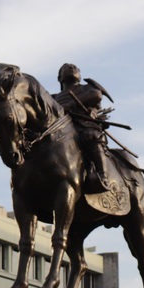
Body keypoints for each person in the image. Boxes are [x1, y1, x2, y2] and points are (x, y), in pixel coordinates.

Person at [54, 63, 116, 192]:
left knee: (91, 136)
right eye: (66, 68)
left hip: (84, 124)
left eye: (75, 68)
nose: (71, 68)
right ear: (59, 78)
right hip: (60, 130)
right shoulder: (54, 98)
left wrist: (71, 104)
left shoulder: (87, 88)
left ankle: (102, 176)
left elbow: (96, 95)